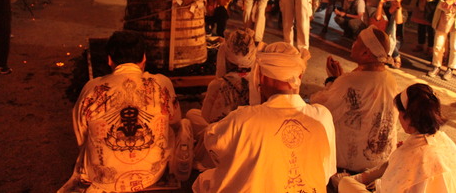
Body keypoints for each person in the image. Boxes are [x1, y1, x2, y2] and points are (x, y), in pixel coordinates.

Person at [193, 42, 336, 192]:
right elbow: (325, 174)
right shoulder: (323, 116)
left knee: (205, 180)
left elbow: (212, 145)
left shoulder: (243, 119)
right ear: (299, 76)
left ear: (261, 77)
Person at [59, 31, 187, 192]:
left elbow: (81, 134)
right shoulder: (162, 83)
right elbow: (175, 122)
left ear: (110, 59)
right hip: (152, 175)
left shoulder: (92, 88)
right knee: (181, 125)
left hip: (103, 178)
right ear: (144, 58)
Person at [338, 83, 456, 193]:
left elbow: (387, 189)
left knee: (346, 184)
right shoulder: (445, 140)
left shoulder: (409, 154)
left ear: (406, 116)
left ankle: (349, 179)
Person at [311, 25, 398, 173]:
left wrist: (333, 81)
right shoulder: (391, 80)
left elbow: (320, 108)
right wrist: (337, 80)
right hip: (380, 163)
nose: (353, 44)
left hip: (350, 167)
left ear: (365, 52)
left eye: (357, 41)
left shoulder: (349, 82)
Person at [186, 28, 258, 170]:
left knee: (191, 115)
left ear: (224, 56)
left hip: (222, 137)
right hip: (248, 136)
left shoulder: (218, 84)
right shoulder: (257, 83)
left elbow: (207, 117)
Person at [372, 0, 405, 69]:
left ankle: (397, 57)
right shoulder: (385, 8)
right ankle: (390, 57)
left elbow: (399, 21)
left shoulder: (403, 11)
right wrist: (380, 3)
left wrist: (398, 6)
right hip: (383, 36)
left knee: (392, 26)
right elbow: (377, 18)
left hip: (396, 40)